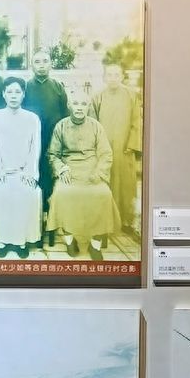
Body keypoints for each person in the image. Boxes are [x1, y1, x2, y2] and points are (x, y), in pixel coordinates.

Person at [47, 92, 119, 257]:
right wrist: (61, 168)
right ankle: (70, 241)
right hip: (69, 169)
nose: (79, 107)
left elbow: (106, 154)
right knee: (62, 193)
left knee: (103, 194)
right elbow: (53, 154)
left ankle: (95, 244)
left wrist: (99, 172)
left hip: (92, 170)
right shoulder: (61, 126)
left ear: (88, 107)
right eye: (76, 103)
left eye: (83, 104)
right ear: (69, 106)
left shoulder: (96, 126)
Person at [0, 78, 43, 255]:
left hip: (23, 172)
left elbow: (35, 147)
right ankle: (1, 241)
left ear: (23, 94)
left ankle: (21, 242)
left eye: (17, 92)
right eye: (9, 92)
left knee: (27, 192)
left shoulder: (32, 118)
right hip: (1, 171)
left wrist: (29, 173)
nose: (13, 96)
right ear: (3, 94)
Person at [92, 62, 142, 232]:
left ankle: (126, 221)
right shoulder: (98, 96)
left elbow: (137, 121)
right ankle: (106, 220)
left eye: (116, 75)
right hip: (104, 149)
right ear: (104, 77)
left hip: (124, 148)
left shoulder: (131, 95)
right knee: (106, 182)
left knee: (126, 185)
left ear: (122, 76)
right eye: (109, 74)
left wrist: (132, 144)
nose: (112, 78)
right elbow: (93, 122)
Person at [22, 48, 69, 213]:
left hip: (53, 140)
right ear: (31, 65)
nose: (41, 66)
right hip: (31, 140)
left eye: (45, 61)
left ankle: (51, 212)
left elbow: (65, 115)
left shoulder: (57, 87)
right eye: (37, 62)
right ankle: (33, 211)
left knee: (50, 174)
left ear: (50, 64)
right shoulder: (26, 88)